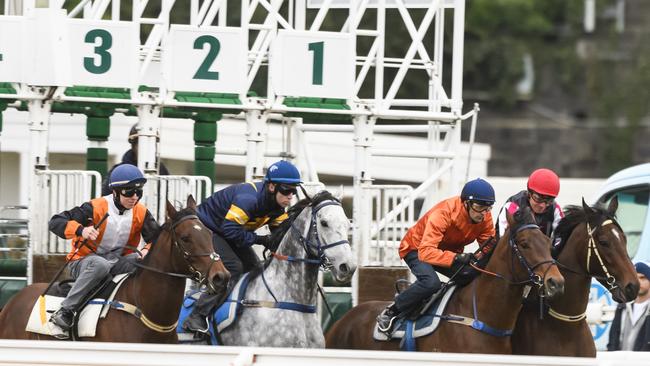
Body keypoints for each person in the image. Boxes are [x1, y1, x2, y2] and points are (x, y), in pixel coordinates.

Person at [182, 160, 302, 333]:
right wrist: (260, 240)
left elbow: (280, 236)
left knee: (256, 268)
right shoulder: (249, 199)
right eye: (286, 190)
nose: (290, 196)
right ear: (271, 187)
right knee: (233, 268)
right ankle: (197, 316)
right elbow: (229, 230)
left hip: (226, 230)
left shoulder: (277, 207)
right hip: (206, 230)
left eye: (294, 191)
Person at [48, 164, 160, 336]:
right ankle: (65, 311)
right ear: (115, 192)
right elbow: (55, 222)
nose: (134, 197)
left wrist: (147, 249)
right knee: (100, 264)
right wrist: (81, 230)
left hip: (115, 262)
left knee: (142, 261)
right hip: (82, 262)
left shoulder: (141, 212)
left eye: (139, 192)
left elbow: (156, 238)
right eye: (128, 192)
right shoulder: (94, 207)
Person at [376, 178, 497, 334]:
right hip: (417, 249)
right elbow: (426, 252)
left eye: (488, 208)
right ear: (466, 203)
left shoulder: (485, 217)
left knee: (470, 274)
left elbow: (489, 248)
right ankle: (392, 310)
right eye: (480, 207)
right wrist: (457, 258)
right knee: (430, 283)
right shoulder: (444, 213)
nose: (484, 214)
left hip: (443, 252)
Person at [101, 124, 170, 196]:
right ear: (133, 146)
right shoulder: (118, 171)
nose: (148, 149)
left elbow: (168, 197)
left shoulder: (161, 169)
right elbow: (106, 197)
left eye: (152, 144)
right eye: (142, 144)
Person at [496, 168, 563, 240]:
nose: (542, 205)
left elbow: (560, 238)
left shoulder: (555, 208)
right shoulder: (512, 205)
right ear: (529, 193)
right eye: (538, 199)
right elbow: (503, 238)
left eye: (549, 201)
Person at [607, 261, 650, 351]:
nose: (638, 282)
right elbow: (613, 340)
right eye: (635, 278)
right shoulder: (622, 307)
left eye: (642, 278)